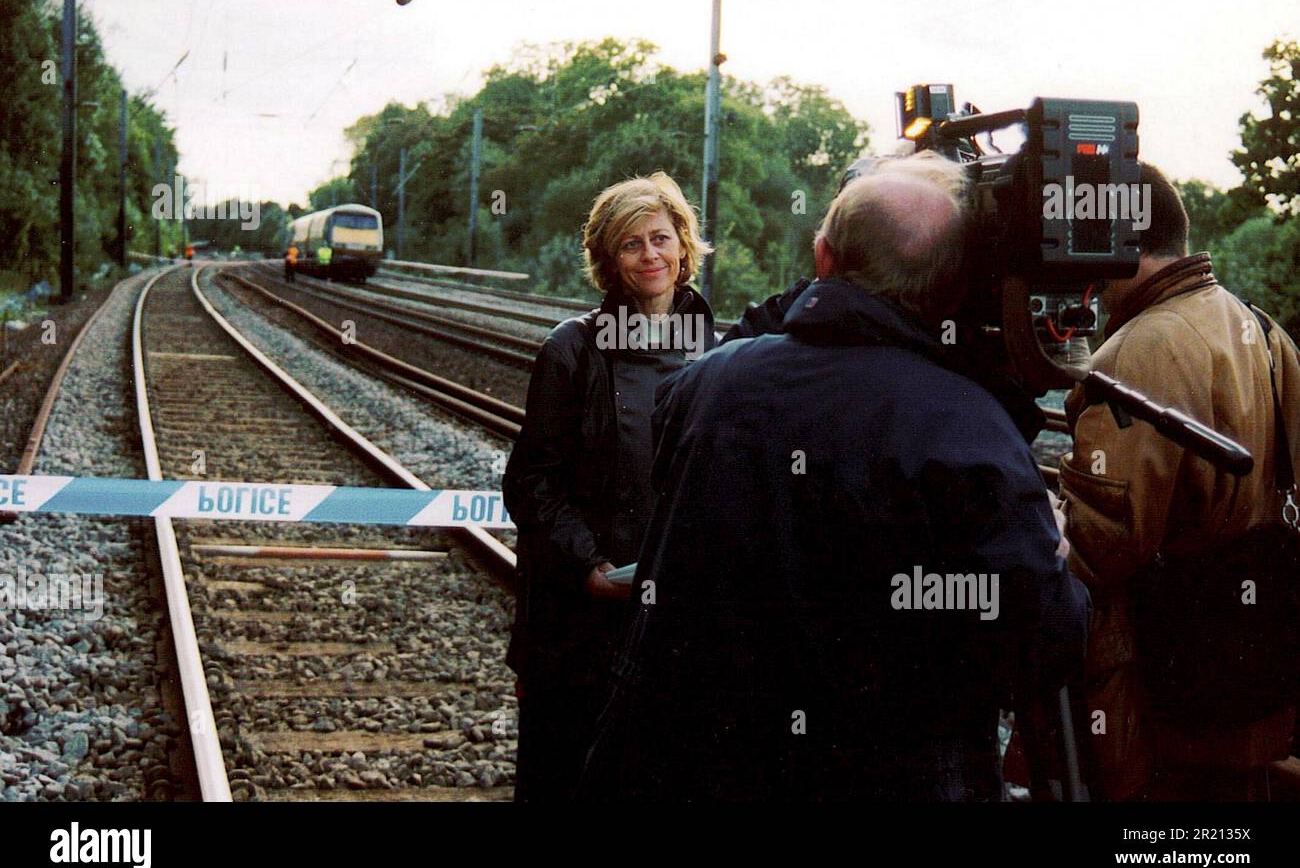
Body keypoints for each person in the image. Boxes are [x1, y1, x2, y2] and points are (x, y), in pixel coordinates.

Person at [580, 154, 1091, 801]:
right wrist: (1055, 553)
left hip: (683, 767)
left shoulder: (704, 384)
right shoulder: (968, 431)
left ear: (821, 258)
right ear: (959, 284)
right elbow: (1045, 649)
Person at [1058, 163, 1300, 801]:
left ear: (1115, 240)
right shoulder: (1261, 327)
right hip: (1248, 675)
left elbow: (1101, 543)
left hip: (1163, 692)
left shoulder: (1142, 348)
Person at [502, 171, 717, 802]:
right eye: (630, 244)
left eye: (660, 238)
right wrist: (586, 565)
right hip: (580, 616)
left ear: (684, 246)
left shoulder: (718, 355)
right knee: (565, 775)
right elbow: (531, 483)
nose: (649, 255)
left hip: (672, 616)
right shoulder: (571, 352)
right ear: (608, 259)